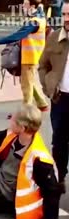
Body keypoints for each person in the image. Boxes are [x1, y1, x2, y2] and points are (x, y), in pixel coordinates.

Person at [0, 0, 49, 112]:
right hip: (31, 57)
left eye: (25, 4)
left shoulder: (34, 22)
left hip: (30, 58)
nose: (22, 6)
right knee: (29, 82)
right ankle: (42, 104)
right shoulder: (39, 18)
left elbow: (17, 35)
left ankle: (25, 113)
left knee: (26, 86)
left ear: (32, 6)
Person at [38, 0, 69, 184]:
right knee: (59, 141)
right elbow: (42, 65)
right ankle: (59, 179)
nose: (66, 19)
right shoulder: (55, 37)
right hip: (61, 99)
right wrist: (47, 85)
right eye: (64, 14)